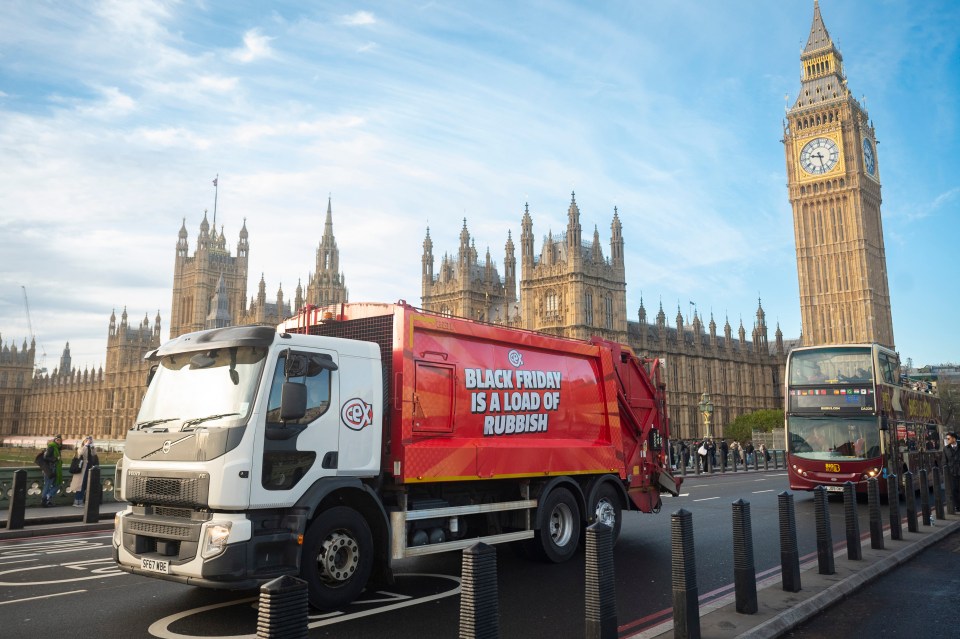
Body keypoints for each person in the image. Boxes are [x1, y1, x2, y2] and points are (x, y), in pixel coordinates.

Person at [69, 435, 97, 507]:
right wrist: (85, 445)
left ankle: (80, 501)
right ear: (83, 441)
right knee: (80, 485)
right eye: (86, 440)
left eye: (89, 440)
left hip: (88, 468)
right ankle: (77, 501)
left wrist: (92, 445)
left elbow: (94, 454)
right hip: (82, 468)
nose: (88, 441)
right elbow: (80, 453)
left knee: (85, 485)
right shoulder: (81, 447)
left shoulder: (90, 448)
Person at [40, 434, 63, 507]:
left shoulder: (57, 448)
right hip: (50, 469)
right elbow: (46, 457)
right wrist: (56, 459)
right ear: (54, 440)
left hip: (55, 468)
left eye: (60, 440)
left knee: (57, 484)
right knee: (47, 485)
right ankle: (44, 501)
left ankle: (47, 497)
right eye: (57, 440)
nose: (59, 441)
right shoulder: (51, 447)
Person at [942, 432, 960, 514]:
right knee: (954, 489)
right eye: (947, 439)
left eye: (948, 438)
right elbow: (944, 461)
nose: (947, 440)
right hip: (952, 472)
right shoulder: (946, 449)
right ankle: (957, 506)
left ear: (954, 439)